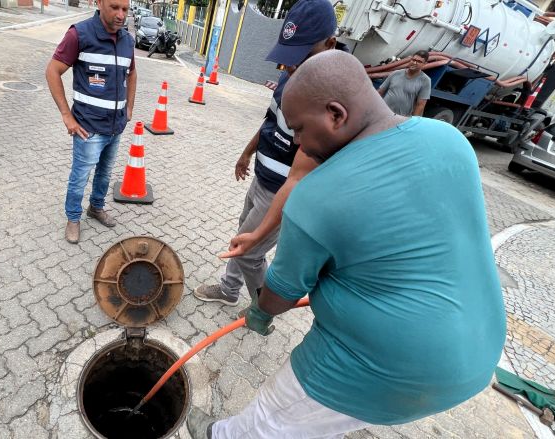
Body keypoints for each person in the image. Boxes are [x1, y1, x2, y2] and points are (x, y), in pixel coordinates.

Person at [188, 50, 506, 438]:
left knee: (274, 416)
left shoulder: (318, 197)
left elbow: (279, 297)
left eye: (299, 129)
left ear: (337, 115)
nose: (297, 142)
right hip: (479, 352)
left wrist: (260, 313)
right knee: (326, 422)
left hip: (383, 364)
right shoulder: (449, 140)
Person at [194, 0, 337, 306]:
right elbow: (270, 121)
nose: (289, 67)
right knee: (242, 240)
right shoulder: (290, 79)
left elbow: (301, 176)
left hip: (281, 194)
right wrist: (247, 153)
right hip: (261, 179)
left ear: (330, 45)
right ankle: (229, 290)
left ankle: (263, 312)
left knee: (250, 252)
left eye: (300, 58)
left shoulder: (330, 101)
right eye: (287, 58)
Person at [45, 0, 137, 244]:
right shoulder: (80, 34)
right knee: (80, 176)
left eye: (125, 10)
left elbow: (132, 73)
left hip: (115, 127)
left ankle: (95, 207)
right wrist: (67, 115)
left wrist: (129, 108)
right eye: (114, 7)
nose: (120, 15)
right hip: (88, 128)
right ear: (99, 3)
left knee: (105, 174)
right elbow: (52, 71)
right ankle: (73, 218)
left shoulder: (128, 41)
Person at [378, 50, 431, 116]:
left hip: (400, 119)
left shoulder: (425, 80)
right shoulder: (396, 73)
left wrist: (412, 122)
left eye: (419, 62)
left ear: (424, 64)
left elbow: (420, 105)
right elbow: (380, 92)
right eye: (413, 60)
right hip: (382, 113)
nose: (414, 63)